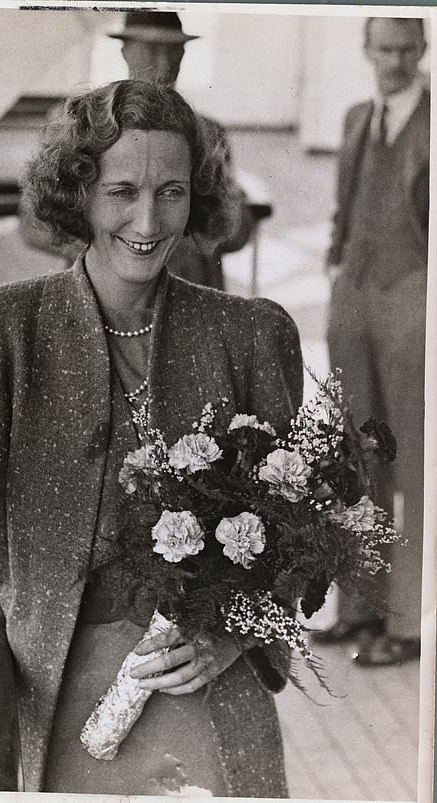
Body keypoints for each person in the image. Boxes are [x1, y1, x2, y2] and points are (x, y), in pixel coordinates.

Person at [0, 80, 302, 795]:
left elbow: (300, 545)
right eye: (121, 191)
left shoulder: (252, 337)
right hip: (67, 718)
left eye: (172, 191)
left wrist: (233, 631)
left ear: (197, 195)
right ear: (77, 194)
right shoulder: (0, 331)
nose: (148, 220)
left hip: (217, 706)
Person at [319, 17, 428, 666]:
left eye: (406, 49)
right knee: (354, 457)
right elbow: (345, 206)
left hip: (412, 299)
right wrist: (337, 267)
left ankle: (407, 621)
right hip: (353, 300)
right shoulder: (358, 116)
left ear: (424, 49)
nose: (394, 61)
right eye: (384, 49)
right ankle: (356, 606)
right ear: (365, 50)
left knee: (411, 463)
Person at [20, 11, 254, 289]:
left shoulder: (207, 132)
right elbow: (34, 225)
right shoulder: (80, 124)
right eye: (152, 49)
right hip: (100, 292)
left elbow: (234, 230)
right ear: (125, 51)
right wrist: (112, 242)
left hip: (186, 290)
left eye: (175, 51)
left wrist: (172, 242)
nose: (165, 62)